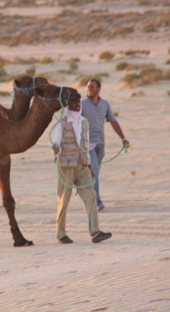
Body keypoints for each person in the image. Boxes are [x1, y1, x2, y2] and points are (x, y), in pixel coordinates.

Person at [52, 96, 112, 244]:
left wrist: (90, 166)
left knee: (91, 196)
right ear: (68, 104)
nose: (78, 104)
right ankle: (60, 234)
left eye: (79, 102)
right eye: (74, 102)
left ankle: (95, 232)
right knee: (64, 200)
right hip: (66, 167)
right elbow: (55, 144)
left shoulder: (84, 122)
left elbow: (85, 147)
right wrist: (56, 149)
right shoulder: (61, 123)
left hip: (83, 166)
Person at [81, 79, 130, 211]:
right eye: (88, 87)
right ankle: (96, 202)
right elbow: (73, 122)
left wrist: (123, 138)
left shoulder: (105, 104)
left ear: (99, 89)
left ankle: (88, 199)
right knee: (94, 171)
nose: (89, 89)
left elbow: (113, 121)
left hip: (101, 144)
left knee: (93, 174)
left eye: (92, 87)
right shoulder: (82, 105)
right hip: (87, 145)